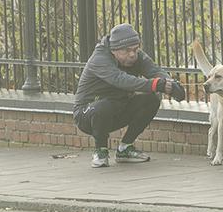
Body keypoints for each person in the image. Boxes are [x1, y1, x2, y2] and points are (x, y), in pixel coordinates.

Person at [74, 23, 186, 168]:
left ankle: (125, 149)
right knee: (103, 106)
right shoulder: (99, 59)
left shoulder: (136, 56)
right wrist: (155, 84)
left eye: (135, 49)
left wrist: (171, 84)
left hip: (118, 109)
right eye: (127, 51)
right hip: (87, 115)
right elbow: (121, 80)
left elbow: (155, 71)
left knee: (152, 98)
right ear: (114, 50)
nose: (132, 54)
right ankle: (100, 151)